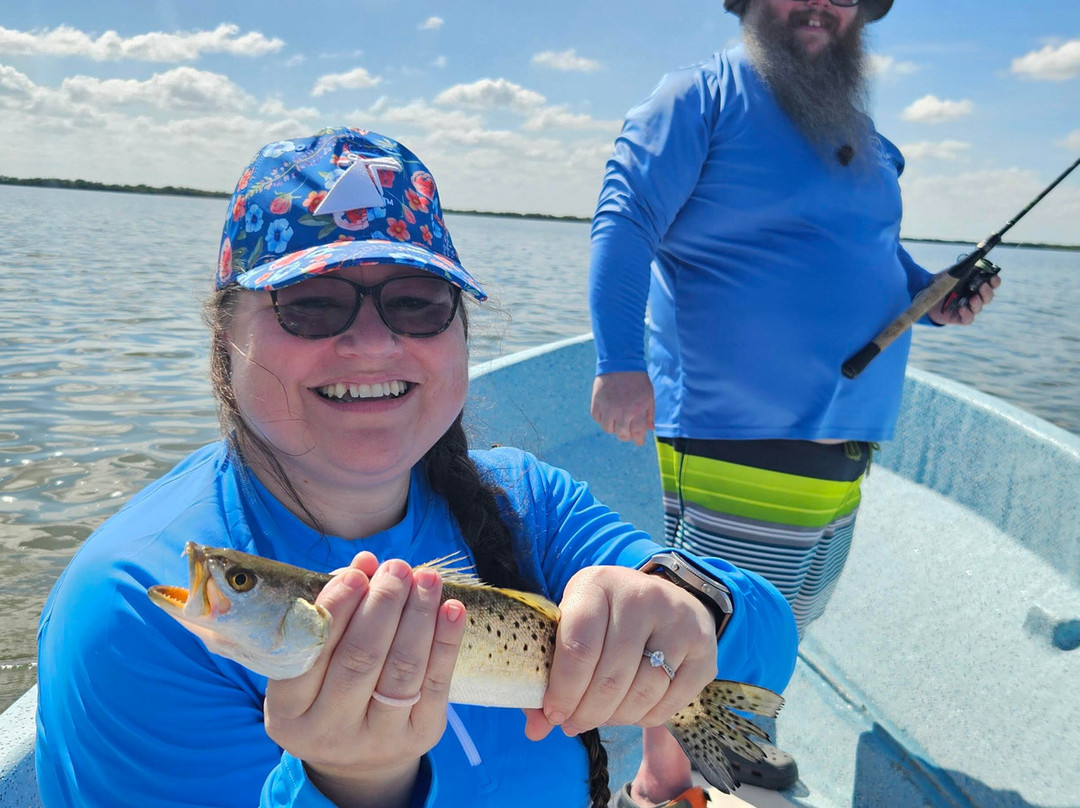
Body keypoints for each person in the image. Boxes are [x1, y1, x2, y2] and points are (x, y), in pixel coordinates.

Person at [34, 126, 798, 808]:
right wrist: (348, 787)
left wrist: (689, 612)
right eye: (310, 301)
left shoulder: (528, 500)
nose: (370, 343)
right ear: (225, 336)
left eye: (418, 300)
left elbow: (766, 636)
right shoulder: (128, 608)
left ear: (460, 334)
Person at [587, 0, 1001, 804]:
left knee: (778, 621)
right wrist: (618, 361)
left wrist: (934, 298)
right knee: (719, 630)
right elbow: (625, 217)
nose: (820, 3)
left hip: (841, 442)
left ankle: (664, 777)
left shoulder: (858, 130)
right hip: (732, 434)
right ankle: (692, 782)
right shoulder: (697, 97)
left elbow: (874, 255)